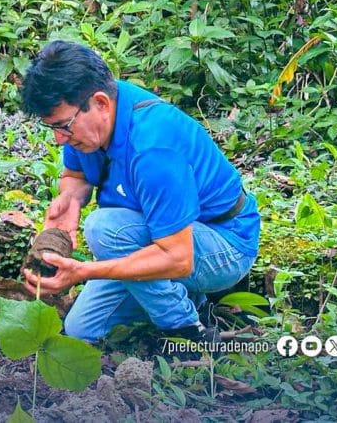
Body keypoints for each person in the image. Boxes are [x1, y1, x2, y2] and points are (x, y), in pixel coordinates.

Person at [19, 41, 260, 353]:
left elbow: (178, 257)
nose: (58, 138)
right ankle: (185, 296)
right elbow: (75, 176)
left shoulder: (153, 148)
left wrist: (84, 272)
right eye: (52, 128)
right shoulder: (87, 118)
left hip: (222, 245)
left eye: (63, 127)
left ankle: (189, 333)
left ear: (101, 103)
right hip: (157, 236)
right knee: (81, 328)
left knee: (105, 228)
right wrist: (71, 200)